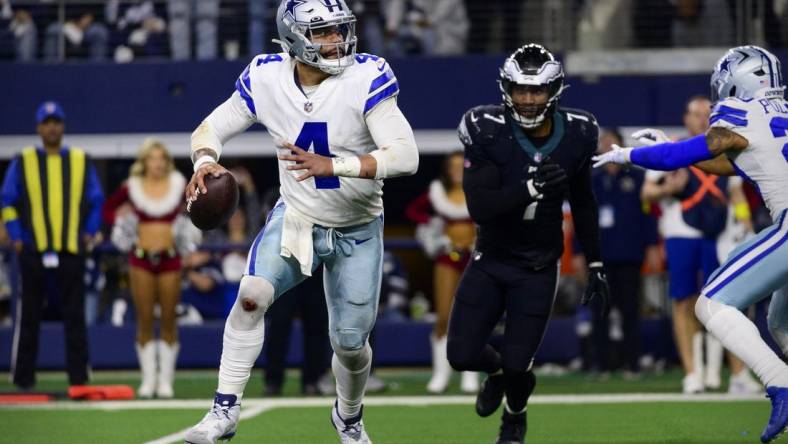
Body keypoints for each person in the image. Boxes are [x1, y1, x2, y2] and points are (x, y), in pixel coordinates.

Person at [183, 1, 419, 442]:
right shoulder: (267, 77)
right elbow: (210, 128)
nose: (337, 41)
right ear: (294, 38)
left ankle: (348, 418)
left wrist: (336, 165)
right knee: (251, 295)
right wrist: (205, 161)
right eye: (324, 33)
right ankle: (224, 410)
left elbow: (405, 157)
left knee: (350, 343)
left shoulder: (365, 76)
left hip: (358, 227)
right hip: (299, 218)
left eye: (339, 30)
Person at [592, 45, 788, 443]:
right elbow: (727, 159)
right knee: (779, 323)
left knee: (711, 303)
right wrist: (671, 145)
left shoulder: (742, 112)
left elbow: (703, 148)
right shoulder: (778, 113)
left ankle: (780, 383)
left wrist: (632, 153)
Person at [446, 44, 609, 444]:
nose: (528, 99)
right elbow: (481, 208)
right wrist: (531, 187)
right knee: (462, 356)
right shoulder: (486, 128)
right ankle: (498, 372)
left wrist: (595, 263)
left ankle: (514, 417)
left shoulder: (579, 132)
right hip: (491, 259)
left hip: (537, 266)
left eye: (537, 91)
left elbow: (585, 203)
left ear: (554, 90)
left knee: (522, 367)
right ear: (507, 88)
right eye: (520, 90)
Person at [640, 96, 758, 394]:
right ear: (686, 118)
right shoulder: (671, 149)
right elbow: (647, 191)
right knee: (683, 301)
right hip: (681, 232)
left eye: (709, 114)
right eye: (697, 114)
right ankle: (691, 374)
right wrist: (670, 187)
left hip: (719, 235)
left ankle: (739, 376)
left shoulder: (726, 151)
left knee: (728, 302)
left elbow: (737, 193)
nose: (704, 119)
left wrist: (746, 222)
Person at [1, 101, 104, 390]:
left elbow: (96, 200)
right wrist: (17, 236)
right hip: (33, 250)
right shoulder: (23, 161)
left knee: (75, 315)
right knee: (28, 316)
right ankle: (22, 379)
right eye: (46, 123)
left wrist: (89, 232)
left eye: (56, 122)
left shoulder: (81, 160)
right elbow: (7, 201)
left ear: (63, 126)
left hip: (71, 249)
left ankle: (79, 378)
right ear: (38, 128)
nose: (52, 127)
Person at [102, 138, 199, 398]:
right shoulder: (132, 188)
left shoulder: (179, 186)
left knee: (168, 318)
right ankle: (148, 379)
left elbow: (197, 209)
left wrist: (189, 233)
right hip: (141, 259)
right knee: (144, 319)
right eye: (152, 158)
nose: (157, 163)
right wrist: (120, 219)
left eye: (162, 158)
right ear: (144, 161)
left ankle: (165, 380)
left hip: (170, 260)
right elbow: (108, 209)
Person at [572, 128, 661, 377]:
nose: (608, 146)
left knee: (631, 310)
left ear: (621, 146)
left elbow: (649, 214)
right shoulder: (589, 178)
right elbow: (580, 217)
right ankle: (599, 364)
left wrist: (653, 245)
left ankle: (632, 363)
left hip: (630, 253)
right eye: (604, 142)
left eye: (613, 142)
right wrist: (578, 252)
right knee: (599, 310)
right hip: (598, 255)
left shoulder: (638, 176)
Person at [406, 150, 478, 393]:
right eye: (453, 166)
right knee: (445, 315)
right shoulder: (438, 192)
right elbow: (413, 210)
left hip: (474, 256)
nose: (457, 170)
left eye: (461, 166)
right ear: (447, 170)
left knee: (471, 315)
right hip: (448, 256)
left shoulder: (478, 189)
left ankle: (469, 373)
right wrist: (433, 225)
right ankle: (441, 374)